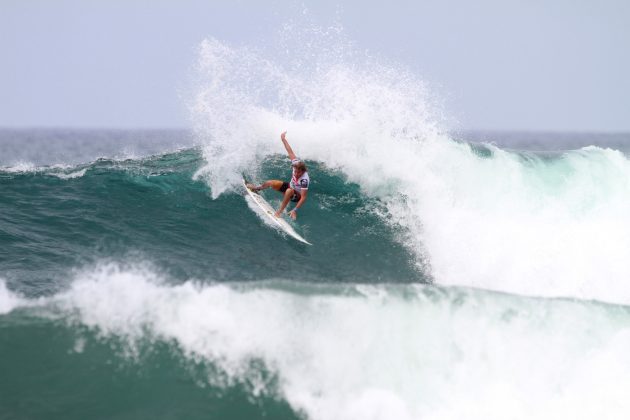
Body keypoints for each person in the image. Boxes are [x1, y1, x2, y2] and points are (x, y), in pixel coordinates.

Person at [247, 132, 310, 220]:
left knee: (289, 191)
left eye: (298, 173)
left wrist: (295, 210)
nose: (295, 174)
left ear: (303, 171)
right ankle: (257, 188)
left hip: (297, 195)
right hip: (290, 187)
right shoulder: (296, 164)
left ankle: (279, 212)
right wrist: (283, 139)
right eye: (295, 171)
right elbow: (290, 152)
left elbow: (303, 197)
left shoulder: (304, 180)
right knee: (270, 182)